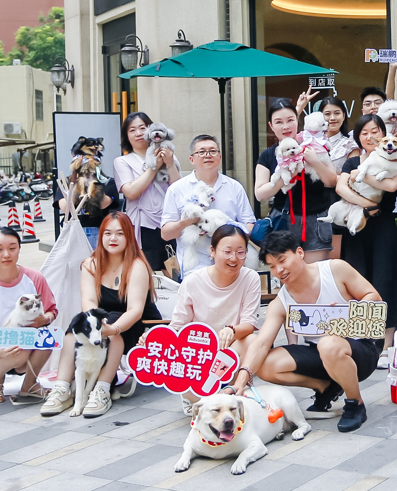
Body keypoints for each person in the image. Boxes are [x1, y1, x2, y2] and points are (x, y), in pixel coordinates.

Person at [242, 228, 384, 433]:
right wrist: (241, 380)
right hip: (320, 353)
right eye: (272, 266)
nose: (279, 270)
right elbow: (262, 342)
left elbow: (374, 296)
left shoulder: (335, 269)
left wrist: (346, 313)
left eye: (282, 260)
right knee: (265, 365)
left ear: (299, 253)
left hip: (360, 349)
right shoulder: (281, 300)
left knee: (328, 344)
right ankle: (325, 387)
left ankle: (356, 404)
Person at [42, 212, 155, 418]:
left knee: (112, 326)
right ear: (100, 236)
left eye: (120, 233)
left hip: (138, 326)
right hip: (102, 322)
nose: (113, 239)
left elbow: (135, 310)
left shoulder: (137, 266)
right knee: (73, 329)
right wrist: (94, 327)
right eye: (108, 233)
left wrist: (113, 328)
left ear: (129, 236)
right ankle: (62, 389)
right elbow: (89, 304)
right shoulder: (90, 264)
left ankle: (101, 390)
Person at [333, 113, 397, 366]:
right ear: (358, 136)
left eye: (374, 131)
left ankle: (387, 345)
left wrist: (361, 174)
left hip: (384, 229)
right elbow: (340, 188)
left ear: (383, 135)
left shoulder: (396, 160)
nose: (369, 136)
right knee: (358, 281)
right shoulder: (351, 161)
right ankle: (365, 342)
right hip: (357, 228)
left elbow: (390, 186)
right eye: (364, 132)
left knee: (385, 280)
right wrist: (368, 205)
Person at [169, 224, 261, 410]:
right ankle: (199, 396)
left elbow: (249, 323)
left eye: (240, 252)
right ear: (212, 251)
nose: (234, 258)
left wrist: (231, 329)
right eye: (227, 251)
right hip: (198, 355)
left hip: (229, 353)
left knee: (252, 341)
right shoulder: (193, 281)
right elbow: (178, 325)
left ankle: (231, 389)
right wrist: (154, 337)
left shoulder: (250, 278)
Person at [0, 226, 57, 405]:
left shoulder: (34, 278)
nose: (6, 254)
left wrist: (45, 319)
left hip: (24, 346)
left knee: (48, 338)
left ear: (19, 249)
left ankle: (29, 386)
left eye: (12, 248)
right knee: (18, 348)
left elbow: (51, 310)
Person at [254, 100, 339, 260]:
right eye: (279, 122)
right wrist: (285, 177)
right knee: (287, 275)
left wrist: (314, 161)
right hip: (284, 221)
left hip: (316, 219)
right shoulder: (268, 155)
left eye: (290, 120)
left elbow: (332, 181)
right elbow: (260, 194)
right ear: (271, 126)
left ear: (298, 121)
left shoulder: (314, 146)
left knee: (315, 275)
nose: (285, 126)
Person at [161, 134, 255, 271]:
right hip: (195, 267)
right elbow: (166, 234)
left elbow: (249, 224)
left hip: (231, 264)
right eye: (201, 152)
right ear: (191, 159)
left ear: (220, 157)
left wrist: (229, 233)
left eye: (213, 151)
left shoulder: (234, 187)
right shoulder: (176, 189)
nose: (208, 155)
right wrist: (187, 221)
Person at [114, 111, 180, 271]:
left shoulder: (169, 155)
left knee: (173, 273)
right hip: (141, 225)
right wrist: (154, 167)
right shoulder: (122, 161)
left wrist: (169, 163)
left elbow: (178, 188)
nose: (138, 133)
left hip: (169, 222)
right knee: (145, 273)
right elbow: (130, 192)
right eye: (132, 130)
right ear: (126, 136)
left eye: (142, 128)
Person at [317, 96, 360, 167]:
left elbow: (352, 174)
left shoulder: (350, 144)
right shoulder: (312, 141)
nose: (333, 118)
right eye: (327, 114)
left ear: (343, 115)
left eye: (337, 113)